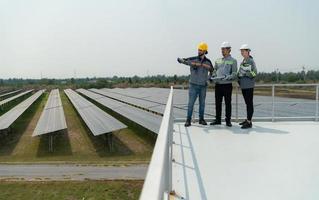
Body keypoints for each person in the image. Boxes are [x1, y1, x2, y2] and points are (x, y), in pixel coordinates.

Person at [177, 42, 213, 127]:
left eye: (200, 50)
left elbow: (212, 71)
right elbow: (184, 61)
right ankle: (188, 120)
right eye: (198, 49)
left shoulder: (208, 62)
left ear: (204, 51)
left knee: (202, 104)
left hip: (203, 86)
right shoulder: (193, 59)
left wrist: (208, 80)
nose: (199, 51)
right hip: (193, 85)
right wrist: (180, 60)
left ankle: (201, 119)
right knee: (190, 103)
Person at [210, 41, 237, 127]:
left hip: (227, 85)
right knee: (218, 103)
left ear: (229, 50)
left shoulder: (233, 61)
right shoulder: (218, 60)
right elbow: (214, 70)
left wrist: (227, 77)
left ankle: (228, 121)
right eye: (221, 49)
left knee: (228, 103)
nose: (222, 51)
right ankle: (218, 120)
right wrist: (213, 75)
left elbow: (234, 74)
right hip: (218, 85)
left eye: (224, 49)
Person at [237, 44, 257, 129]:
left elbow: (255, 72)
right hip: (244, 86)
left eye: (243, 51)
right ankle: (247, 119)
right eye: (241, 51)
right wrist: (238, 76)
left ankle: (249, 122)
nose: (241, 52)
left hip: (249, 86)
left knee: (249, 104)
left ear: (248, 51)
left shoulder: (251, 61)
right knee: (247, 103)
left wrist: (247, 74)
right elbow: (240, 71)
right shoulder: (243, 61)